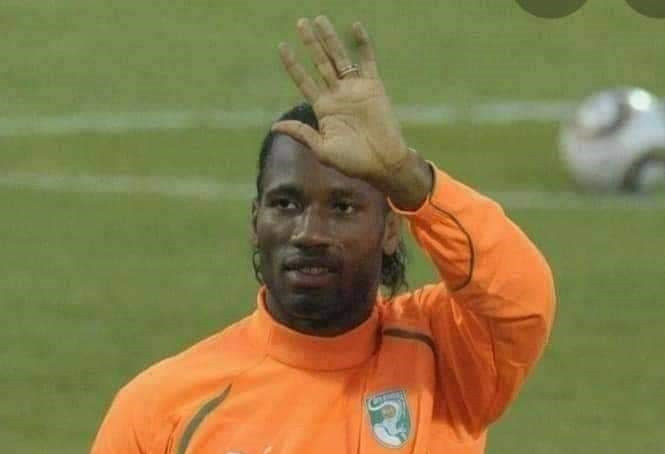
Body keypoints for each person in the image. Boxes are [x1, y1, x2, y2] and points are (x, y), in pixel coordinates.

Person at [91, 16, 556, 454]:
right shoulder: (162, 409)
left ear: (389, 229)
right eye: (285, 204)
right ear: (256, 222)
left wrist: (404, 174)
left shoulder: (446, 356)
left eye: (342, 207)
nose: (309, 232)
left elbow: (521, 297)